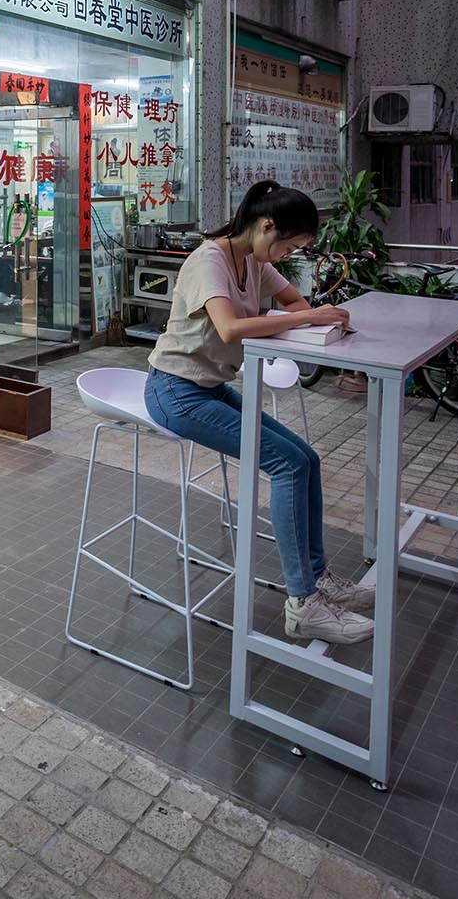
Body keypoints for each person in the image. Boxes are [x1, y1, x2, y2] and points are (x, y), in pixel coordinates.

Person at [145, 180, 374, 646]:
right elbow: (230, 328)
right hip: (175, 391)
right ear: (266, 225)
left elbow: (295, 302)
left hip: (206, 387)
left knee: (305, 458)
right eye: (288, 243)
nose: (288, 252)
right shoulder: (210, 259)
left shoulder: (253, 260)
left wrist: (314, 315)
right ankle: (303, 605)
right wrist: (308, 319)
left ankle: (318, 579)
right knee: (286, 464)